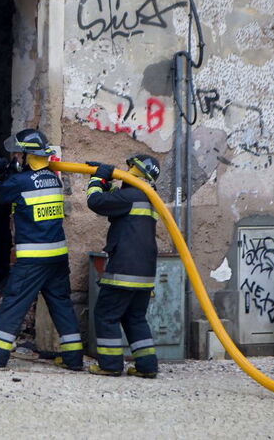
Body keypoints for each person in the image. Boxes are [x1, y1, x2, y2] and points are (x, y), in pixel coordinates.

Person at [0, 129, 83, 371]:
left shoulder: (19, 182)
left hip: (33, 260)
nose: (16, 158)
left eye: (19, 154)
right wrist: (10, 171)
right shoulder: (54, 178)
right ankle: (74, 358)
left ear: (26, 156)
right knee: (61, 305)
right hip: (57, 258)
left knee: (13, 303)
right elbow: (28, 184)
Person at [85, 154, 161, 378]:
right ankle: (147, 366)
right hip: (145, 272)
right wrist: (108, 181)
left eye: (128, 169)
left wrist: (97, 179)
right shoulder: (149, 197)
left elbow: (95, 202)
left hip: (124, 270)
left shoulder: (129, 196)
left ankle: (110, 365)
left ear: (135, 171)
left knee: (106, 314)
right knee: (135, 317)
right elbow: (115, 203)